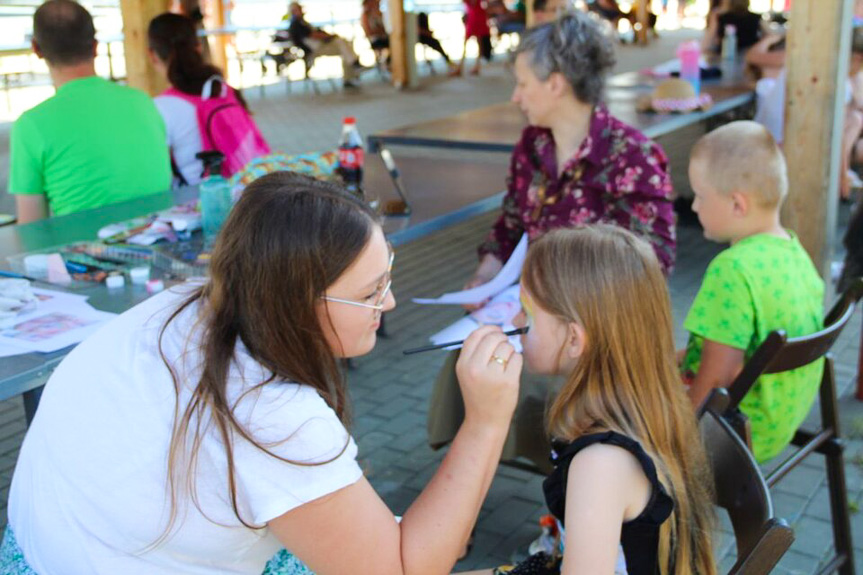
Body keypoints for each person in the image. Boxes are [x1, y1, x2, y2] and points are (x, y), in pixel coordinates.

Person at [2, 172, 522, 574]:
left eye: (388, 275)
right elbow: (406, 568)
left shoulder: (182, 303)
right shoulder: (273, 415)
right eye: (368, 293)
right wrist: (485, 420)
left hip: (38, 549)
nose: (388, 302)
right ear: (295, 301)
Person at [428, 11, 675, 472]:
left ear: (556, 83)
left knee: (501, 367)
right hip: (528, 315)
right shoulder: (532, 147)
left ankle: (567, 495)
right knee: (473, 356)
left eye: (523, 82)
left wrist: (555, 307)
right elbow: (511, 223)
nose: (515, 95)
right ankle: (473, 489)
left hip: (596, 334)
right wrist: (485, 272)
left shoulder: (632, 157)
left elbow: (652, 266)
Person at [459, 225, 716, 575]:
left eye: (526, 312)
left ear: (575, 339)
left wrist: (484, 418)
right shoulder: (642, 408)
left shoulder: (601, 464)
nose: (514, 321)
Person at [680, 121, 824, 463]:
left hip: (732, 436)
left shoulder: (731, 270)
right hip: (777, 423)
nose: (695, 206)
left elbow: (717, 380)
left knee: (605, 410)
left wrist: (677, 435)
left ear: (737, 204)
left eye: (700, 195)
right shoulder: (793, 251)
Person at [9, 0, 171, 224]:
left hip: (87, 255)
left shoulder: (30, 125)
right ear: (95, 46)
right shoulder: (142, 101)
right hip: (163, 237)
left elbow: (31, 228)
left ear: (36, 48)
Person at [148, 13, 271, 186]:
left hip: (197, 200)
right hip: (247, 189)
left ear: (152, 55)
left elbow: (156, 169)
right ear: (198, 47)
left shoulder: (160, 107)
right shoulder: (221, 88)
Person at [747, 26, 863, 199]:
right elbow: (836, 137)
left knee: (853, 119)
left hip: (766, 140)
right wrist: (842, 179)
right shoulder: (837, 80)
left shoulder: (807, 62)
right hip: (783, 149)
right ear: (856, 58)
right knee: (853, 121)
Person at [285, 1, 365, 89]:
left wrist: (329, 36)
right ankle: (354, 65)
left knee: (344, 45)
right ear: (293, 11)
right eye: (299, 9)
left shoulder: (302, 22)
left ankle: (351, 71)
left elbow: (316, 33)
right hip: (314, 50)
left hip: (319, 47)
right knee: (343, 45)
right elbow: (313, 35)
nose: (302, 10)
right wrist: (328, 36)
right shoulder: (296, 24)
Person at [451, 0, 492, 76]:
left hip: (476, 17)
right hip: (474, 16)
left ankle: (471, 67)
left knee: (477, 43)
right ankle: (474, 66)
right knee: (476, 43)